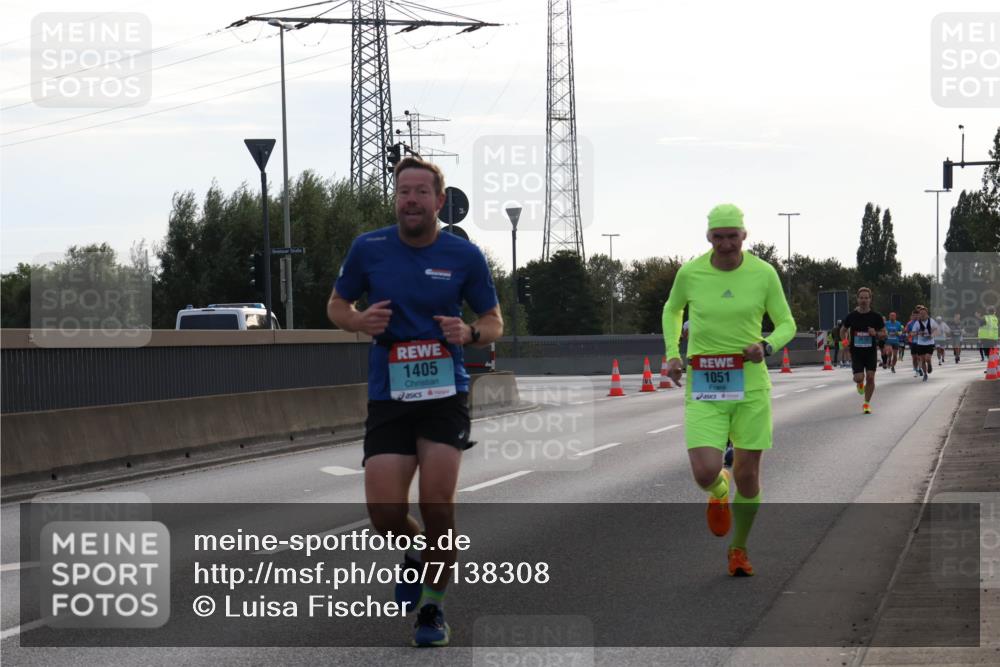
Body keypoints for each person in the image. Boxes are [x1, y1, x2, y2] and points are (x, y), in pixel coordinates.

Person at [326, 157, 503, 648]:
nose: (411, 200)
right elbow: (337, 304)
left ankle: (432, 609)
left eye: (422, 192)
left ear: (439, 202)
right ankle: (420, 554)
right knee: (384, 513)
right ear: (396, 199)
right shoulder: (369, 248)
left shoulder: (463, 255)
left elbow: (493, 320)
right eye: (404, 191)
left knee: (436, 502)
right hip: (390, 393)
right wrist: (357, 321)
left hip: (445, 391)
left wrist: (469, 332)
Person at [662, 204, 795, 577]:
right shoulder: (690, 273)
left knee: (748, 476)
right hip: (705, 385)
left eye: (732, 236)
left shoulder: (763, 273)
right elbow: (672, 310)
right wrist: (672, 353)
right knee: (705, 472)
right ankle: (718, 490)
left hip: (750, 387)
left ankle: (739, 549)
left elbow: (786, 322)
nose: (725, 244)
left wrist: (766, 346)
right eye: (718, 237)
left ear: (744, 236)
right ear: (708, 237)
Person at [839, 287, 886, 414]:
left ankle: (866, 404)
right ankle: (860, 383)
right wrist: (845, 342)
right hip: (856, 352)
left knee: (870, 377)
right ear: (857, 299)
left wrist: (875, 333)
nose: (864, 300)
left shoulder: (876, 317)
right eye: (861, 298)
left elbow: (884, 334)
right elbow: (843, 330)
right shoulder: (851, 316)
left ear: (870, 299)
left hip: (870, 352)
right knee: (859, 378)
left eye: (866, 298)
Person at [906, 306, 939, 382]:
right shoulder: (917, 323)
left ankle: (929, 364)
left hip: (930, 343)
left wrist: (932, 335)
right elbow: (912, 333)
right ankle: (925, 374)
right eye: (921, 314)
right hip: (920, 344)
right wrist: (918, 333)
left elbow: (937, 330)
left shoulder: (931, 321)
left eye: (924, 313)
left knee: (927, 358)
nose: (922, 315)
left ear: (927, 314)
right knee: (923, 360)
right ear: (919, 315)